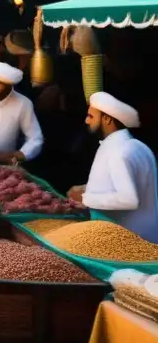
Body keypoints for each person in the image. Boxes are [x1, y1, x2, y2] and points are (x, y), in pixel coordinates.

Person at [68, 92, 158, 243]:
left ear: (107, 118)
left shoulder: (120, 152)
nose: (86, 121)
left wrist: (86, 198)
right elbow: (125, 183)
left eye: (91, 116)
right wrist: (87, 188)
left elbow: (128, 199)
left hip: (129, 241)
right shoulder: (136, 146)